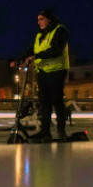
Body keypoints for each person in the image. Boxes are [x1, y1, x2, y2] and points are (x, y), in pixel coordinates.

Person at [13, 8, 70, 142]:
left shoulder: (60, 30)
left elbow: (56, 50)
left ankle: (61, 130)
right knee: (44, 102)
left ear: (49, 19)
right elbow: (31, 49)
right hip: (43, 72)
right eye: (38, 19)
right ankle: (45, 132)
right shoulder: (40, 35)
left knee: (56, 100)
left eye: (41, 19)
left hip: (57, 70)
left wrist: (36, 56)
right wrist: (18, 59)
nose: (38, 22)